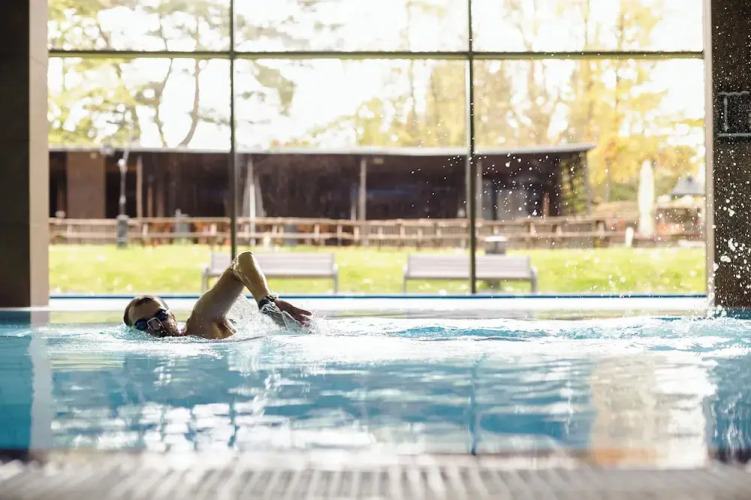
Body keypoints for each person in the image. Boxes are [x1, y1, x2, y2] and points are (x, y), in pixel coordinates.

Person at [122, 251, 312, 339]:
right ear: (132, 333)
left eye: (161, 315)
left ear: (172, 316)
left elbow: (242, 260)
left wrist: (266, 302)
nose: (156, 325)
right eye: (142, 324)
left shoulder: (201, 322)